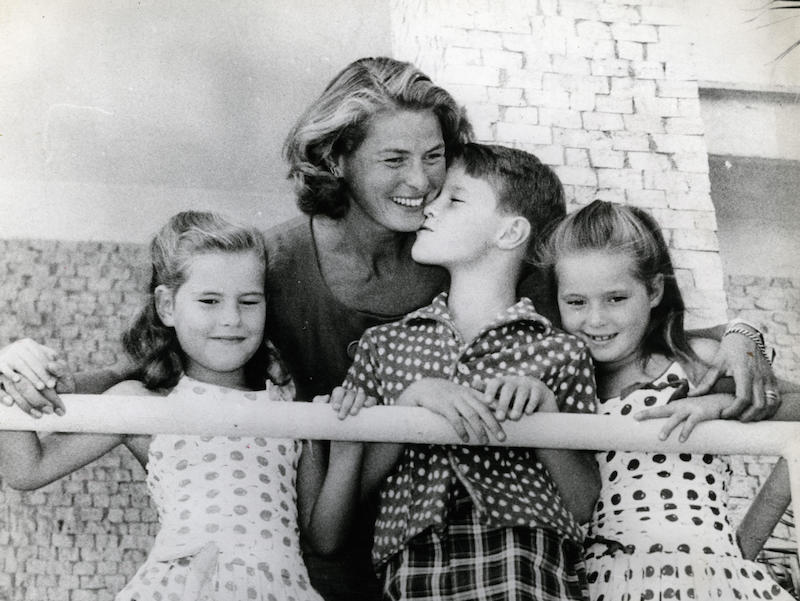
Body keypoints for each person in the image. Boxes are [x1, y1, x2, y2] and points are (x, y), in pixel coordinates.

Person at [0, 55, 783, 600]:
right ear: (339, 159)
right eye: (394, 160)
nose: (420, 184)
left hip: (492, 556)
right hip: (323, 560)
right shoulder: (272, 261)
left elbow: (623, 315)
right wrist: (39, 374)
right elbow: (164, 359)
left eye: (435, 158)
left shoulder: (466, 265)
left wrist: (742, 332)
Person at [0, 211, 365, 601]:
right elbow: (27, 470)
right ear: (167, 306)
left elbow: (324, 538)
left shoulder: (289, 406)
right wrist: (9, 371)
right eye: (209, 300)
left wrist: (348, 446)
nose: (232, 318)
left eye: (249, 301)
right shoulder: (144, 404)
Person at [330, 143, 600, 601]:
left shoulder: (562, 351)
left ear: (510, 232)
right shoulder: (384, 345)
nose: (429, 209)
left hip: (526, 568)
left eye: (453, 200)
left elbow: (584, 503)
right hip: (415, 572)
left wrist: (545, 413)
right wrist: (410, 404)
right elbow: (351, 492)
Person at [537, 199, 800, 601]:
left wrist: (716, 406)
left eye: (616, 298)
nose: (595, 319)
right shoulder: (565, 388)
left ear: (655, 290)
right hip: (607, 584)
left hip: (711, 578)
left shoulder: (695, 365)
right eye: (576, 302)